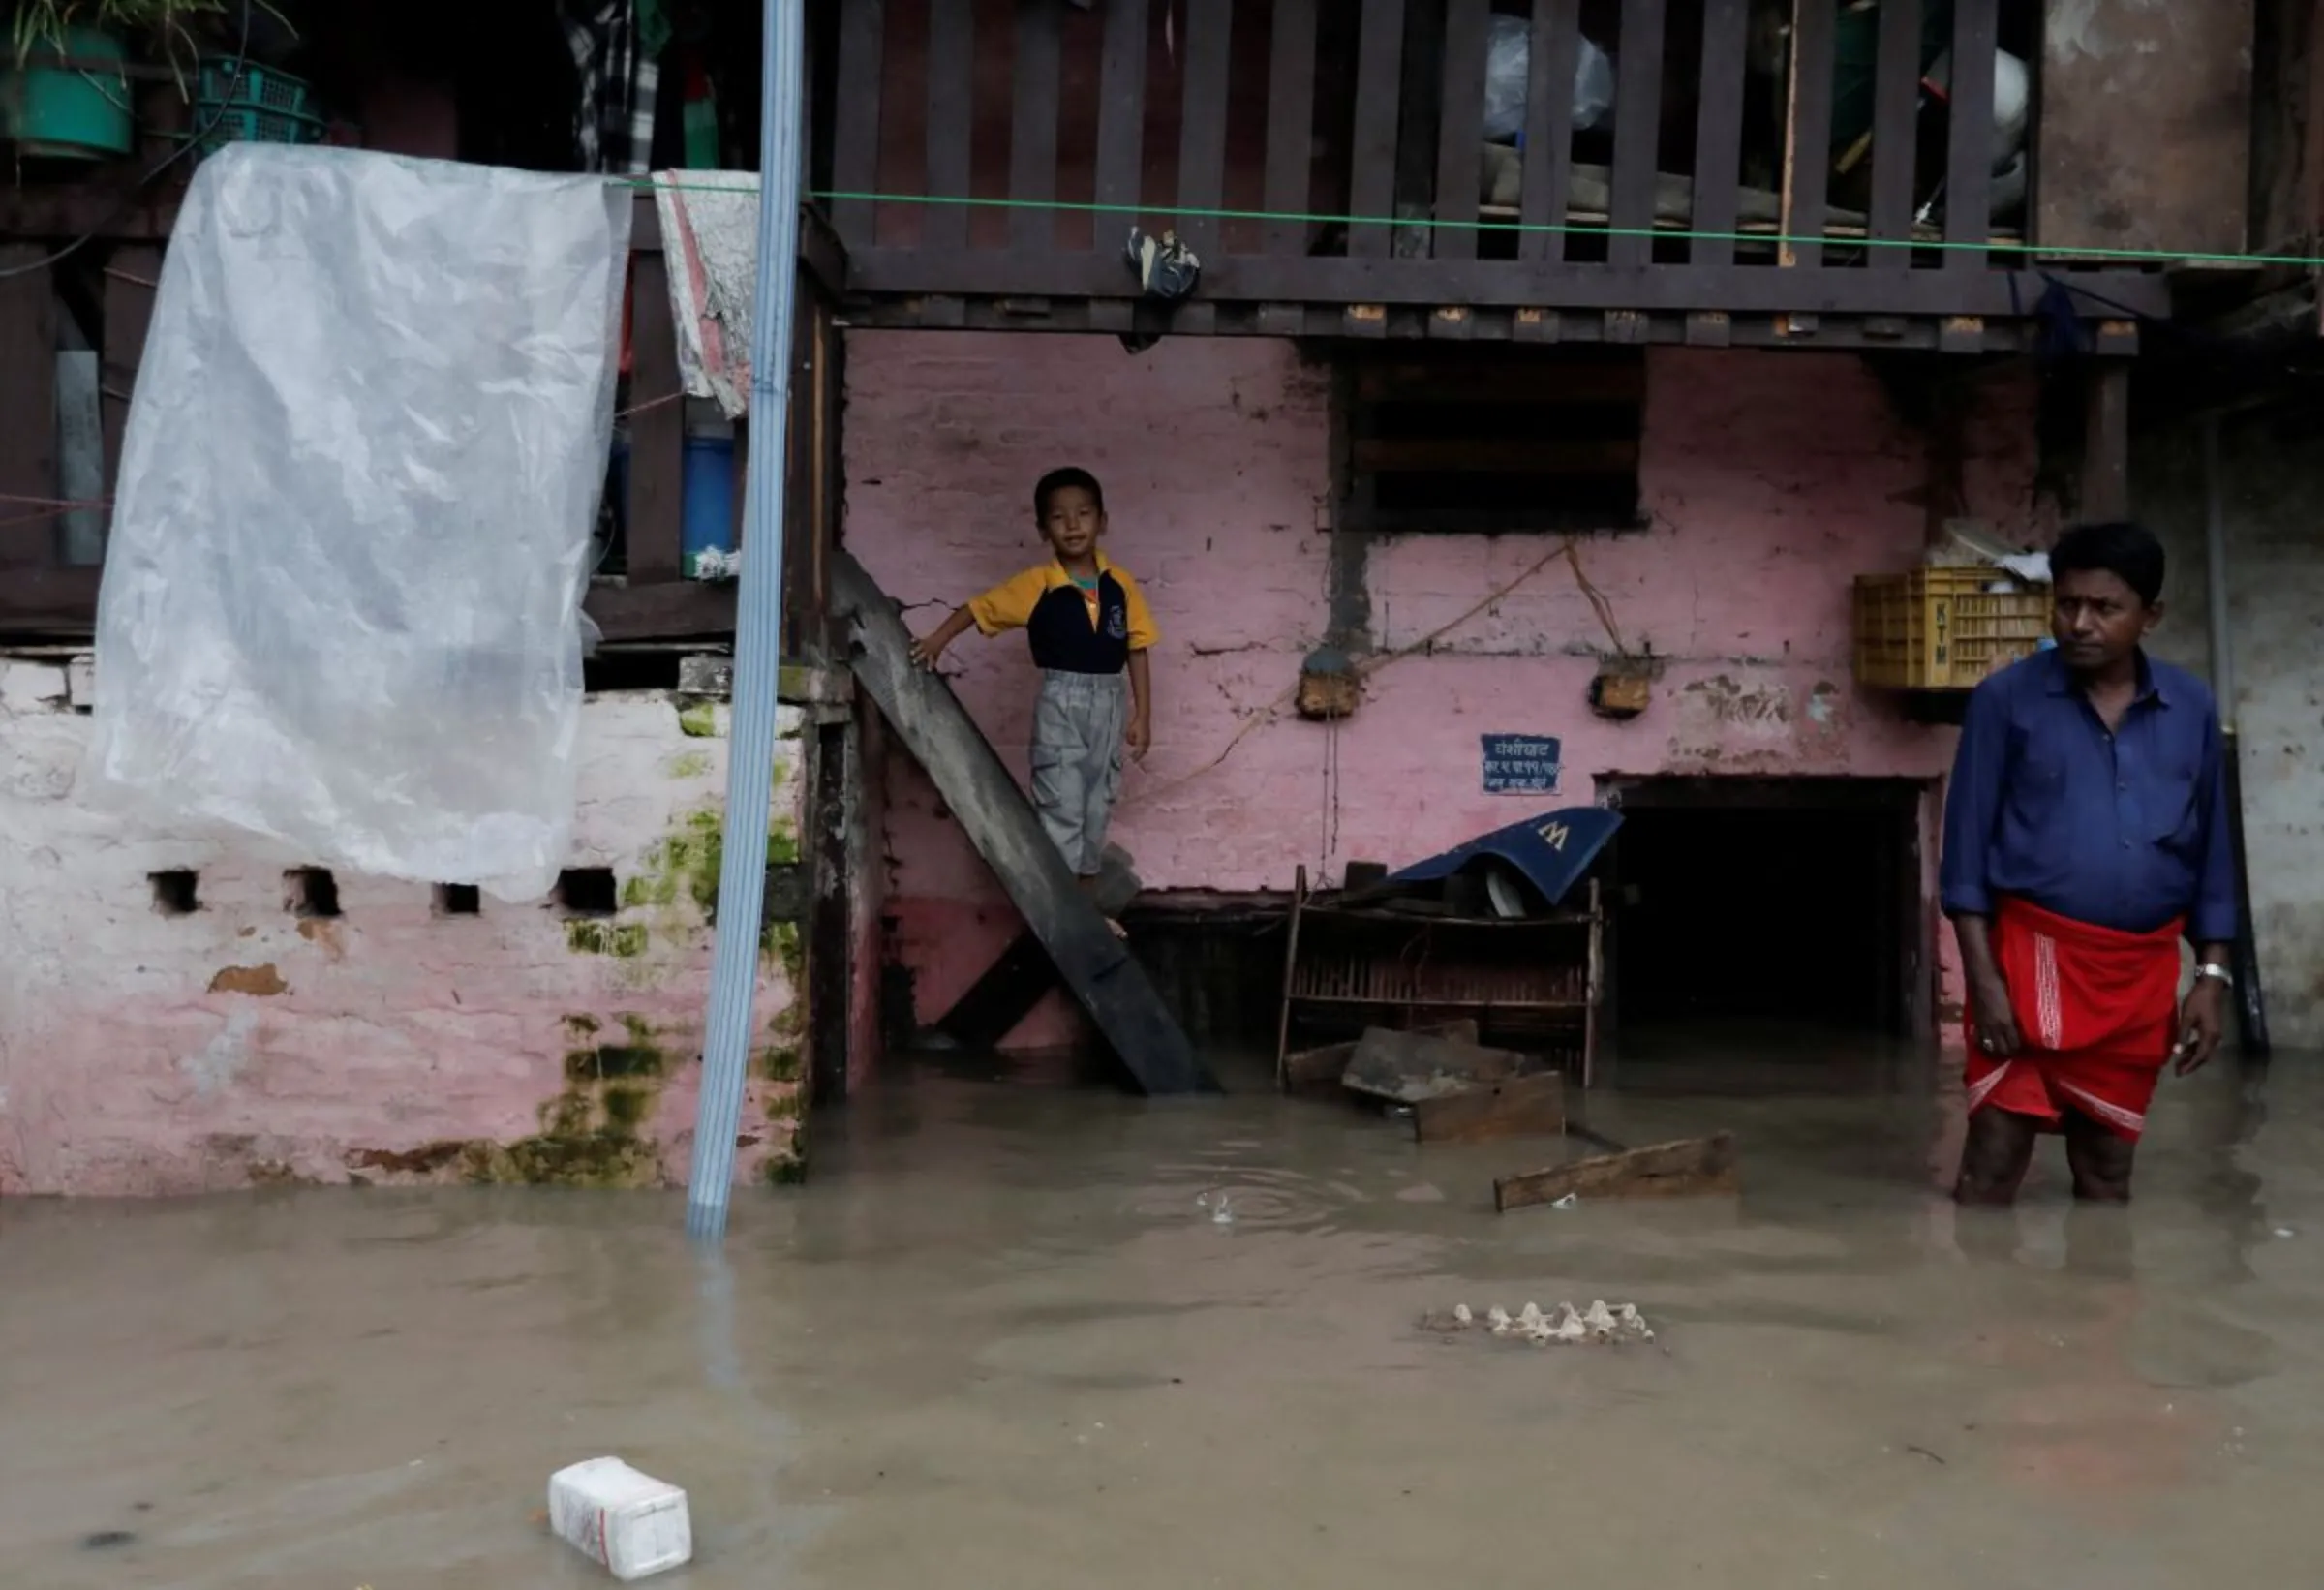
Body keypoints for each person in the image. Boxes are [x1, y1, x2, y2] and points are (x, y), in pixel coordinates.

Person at [1939, 520, 2236, 1205]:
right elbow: (1965, 859)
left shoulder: (2190, 708)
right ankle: (1975, 1309)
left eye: (2104, 608)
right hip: (2026, 966)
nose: (2079, 623)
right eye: (2067, 604)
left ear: (2150, 616)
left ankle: (2099, 1309)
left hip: (2139, 976)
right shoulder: (2004, 701)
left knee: (2108, 1175)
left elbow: (2214, 854)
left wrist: (2212, 977)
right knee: (1992, 1167)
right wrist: (1984, 984)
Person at [908, 467, 1156, 936]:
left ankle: (1084, 916)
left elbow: (1137, 649)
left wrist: (1144, 715)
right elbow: (978, 609)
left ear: (1103, 520)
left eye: (1084, 514)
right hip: (1062, 702)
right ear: (1043, 530)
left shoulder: (1120, 585)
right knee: (1061, 806)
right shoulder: (1037, 585)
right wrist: (938, 640)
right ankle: (1060, 915)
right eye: (1059, 518)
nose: (1073, 525)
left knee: (1095, 810)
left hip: (1110, 700)